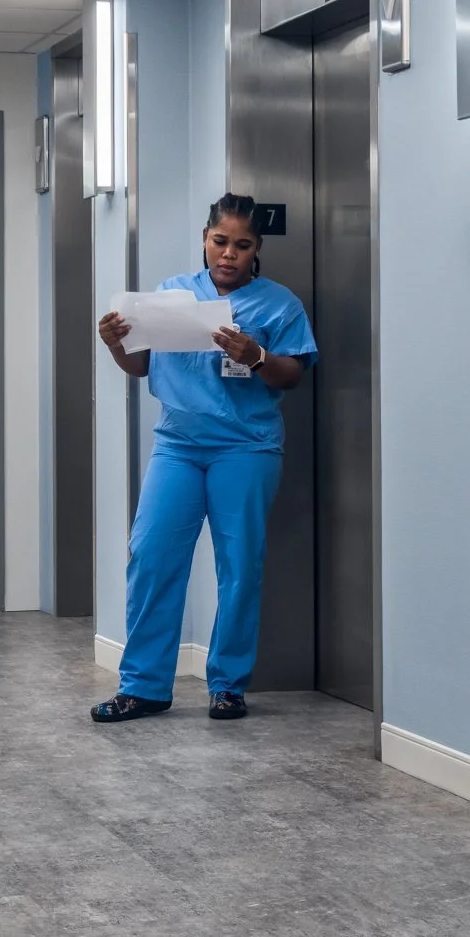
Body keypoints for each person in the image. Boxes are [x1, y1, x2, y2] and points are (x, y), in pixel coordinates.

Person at [90, 192, 315, 723]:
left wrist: (256, 356)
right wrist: (115, 344)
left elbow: (293, 374)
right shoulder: (173, 295)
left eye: (242, 245)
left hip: (245, 447)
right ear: (205, 239)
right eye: (220, 241)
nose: (229, 253)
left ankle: (228, 685)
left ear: (257, 248)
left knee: (239, 566)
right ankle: (144, 686)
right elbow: (142, 367)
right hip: (178, 446)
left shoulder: (279, 304)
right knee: (151, 556)